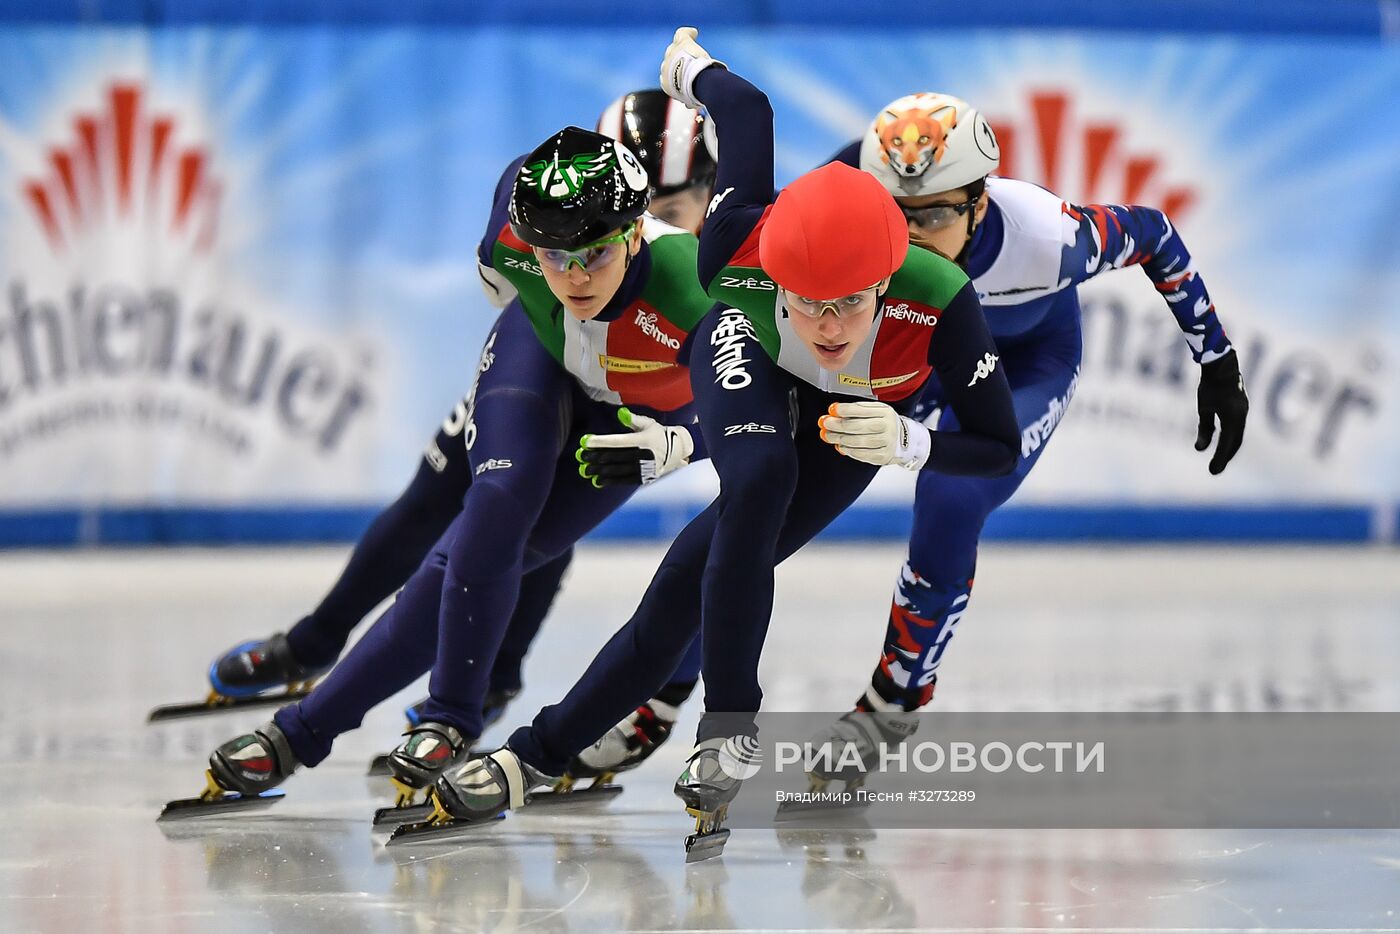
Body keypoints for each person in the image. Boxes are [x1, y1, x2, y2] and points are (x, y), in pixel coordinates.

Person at [420, 29, 1019, 858]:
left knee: (676, 596)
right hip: (759, 360)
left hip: (860, 420)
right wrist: (689, 66)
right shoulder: (735, 238)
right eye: (807, 301)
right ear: (773, 268)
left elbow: (996, 448)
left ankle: (534, 756)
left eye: (849, 304)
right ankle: (728, 724)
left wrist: (915, 442)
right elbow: (744, 105)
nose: (828, 327)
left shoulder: (942, 301)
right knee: (761, 476)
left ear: (889, 278)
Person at [170, 126, 718, 814]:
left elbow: (751, 420)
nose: (575, 276)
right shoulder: (511, 244)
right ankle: (427, 718)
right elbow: (518, 175)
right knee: (491, 508)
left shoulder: (698, 294)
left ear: (636, 234)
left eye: (596, 253)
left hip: (627, 421)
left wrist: (681, 443)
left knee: (514, 552)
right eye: (555, 256)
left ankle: (326, 726)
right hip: (541, 359)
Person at [796, 89, 1248, 781]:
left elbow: (1154, 233)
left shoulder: (1049, 237)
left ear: (980, 203)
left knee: (951, 494)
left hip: (1022, 362)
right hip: (922, 351)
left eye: (937, 214)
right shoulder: (852, 199)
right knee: (775, 482)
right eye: (895, 215)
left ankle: (895, 697)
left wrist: (1217, 362)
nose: (911, 237)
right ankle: (671, 691)